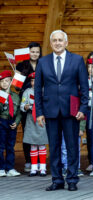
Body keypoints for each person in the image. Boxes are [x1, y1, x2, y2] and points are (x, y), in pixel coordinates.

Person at [35, 30, 89, 191]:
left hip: (71, 111)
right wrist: (39, 112)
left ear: (66, 42)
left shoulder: (77, 60)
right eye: (54, 40)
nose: (57, 43)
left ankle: (72, 179)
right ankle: (57, 179)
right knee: (55, 146)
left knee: (72, 146)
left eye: (60, 40)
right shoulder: (43, 62)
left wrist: (83, 108)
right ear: (51, 43)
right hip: (50, 111)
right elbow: (38, 89)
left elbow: (84, 87)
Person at [16, 42, 42, 172]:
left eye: (37, 52)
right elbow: (16, 86)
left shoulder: (43, 64)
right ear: (28, 52)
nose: (35, 54)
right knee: (28, 131)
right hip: (27, 103)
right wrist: (20, 76)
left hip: (40, 103)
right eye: (32, 51)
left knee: (39, 131)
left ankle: (39, 162)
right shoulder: (21, 65)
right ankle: (29, 161)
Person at [20, 72, 48, 177]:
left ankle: (43, 168)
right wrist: (25, 107)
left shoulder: (45, 91)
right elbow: (22, 105)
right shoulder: (27, 92)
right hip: (31, 119)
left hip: (42, 120)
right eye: (32, 81)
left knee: (41, 144)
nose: (34, 82)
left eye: (36, 80)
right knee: (32, 144)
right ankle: (34, 168)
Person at [0, 70, 22, 177]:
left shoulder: (16, 96)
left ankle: (10, 168)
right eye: (2, 81)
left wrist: (16, 122)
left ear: (11, 82)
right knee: (1, 146)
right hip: (1, 121)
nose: (4, 83)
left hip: (12, 122)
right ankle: (1, 168)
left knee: (10, 146)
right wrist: (2, 100)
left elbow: (18, 112)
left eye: (7, 81)